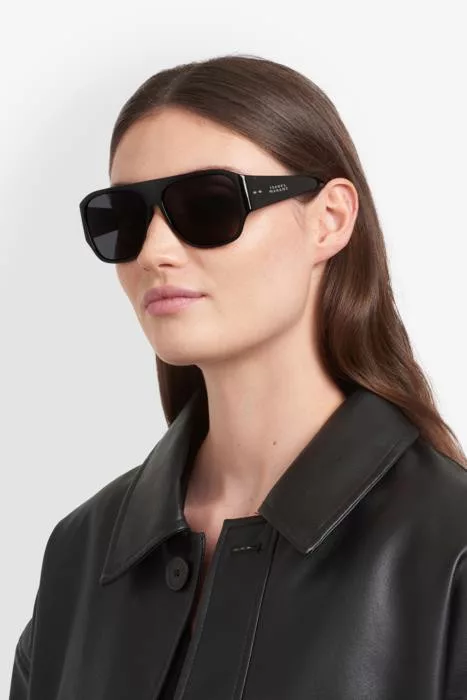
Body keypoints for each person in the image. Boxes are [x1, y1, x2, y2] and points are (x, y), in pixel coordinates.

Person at [9, 53, 467, 700]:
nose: (155, 253)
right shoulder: (80, 557)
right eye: (125, 219)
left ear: (330, 220)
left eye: (208, 205)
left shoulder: (449, 547)